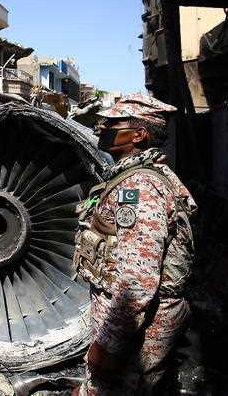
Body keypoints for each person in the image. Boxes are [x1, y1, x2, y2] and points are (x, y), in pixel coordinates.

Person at [73, 94, 197, 395]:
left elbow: (137, 282)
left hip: (138, 329)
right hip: (133, 324)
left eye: (114, 123)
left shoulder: (138, 186)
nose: (103, 127)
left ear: (139, 134)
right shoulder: (138, 176)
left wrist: (108, 346)